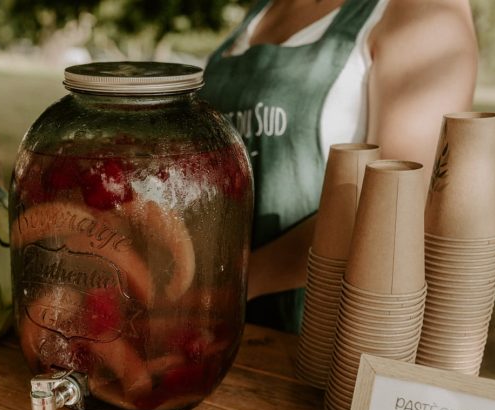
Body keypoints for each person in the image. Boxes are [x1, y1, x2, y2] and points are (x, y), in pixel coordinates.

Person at [200, 0, 478, 333]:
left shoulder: (424, 10)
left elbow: (398, 205)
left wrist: (235, 283)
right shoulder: (263, 10)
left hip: (328, 329)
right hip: (214, 319)